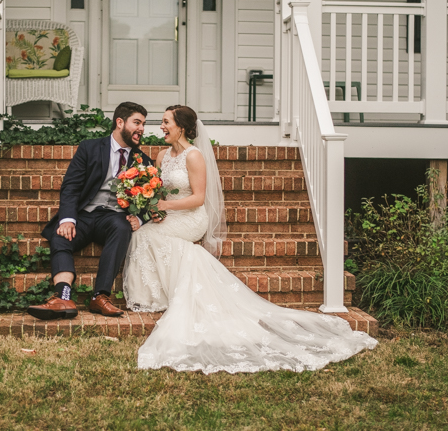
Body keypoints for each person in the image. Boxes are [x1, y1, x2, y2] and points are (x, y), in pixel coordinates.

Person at [122, 105, 377, 374]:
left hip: (191, 217)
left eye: (166, 122)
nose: (161, 127)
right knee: (145, 233)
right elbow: (157, 191)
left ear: (181, 127)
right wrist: (154, 209)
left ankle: (174, 292)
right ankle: (155, 295)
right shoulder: (161, 156)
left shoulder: (194, 156)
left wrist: (165, 208)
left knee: (151, 234)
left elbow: (198, 199)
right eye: (162, 122)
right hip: (170, 214)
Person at [28, 102, 154, 321]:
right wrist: (68, 218)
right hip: (85, 214)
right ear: (120, 122)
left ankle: (100, 296)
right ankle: (63, 296)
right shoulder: (90, 147)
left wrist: (140, 219)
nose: (141, 129)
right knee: (60, 237)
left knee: (122, 228)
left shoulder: (143, 162)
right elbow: (71, 185)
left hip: (113, 217)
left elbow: (152, 198)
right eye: (137, 122)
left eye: (143, 124)